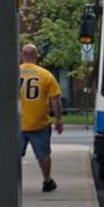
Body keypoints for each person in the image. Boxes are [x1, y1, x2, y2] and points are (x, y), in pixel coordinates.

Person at [19, 44, 63, 192]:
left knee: (13, 154)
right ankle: (47, 180)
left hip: (16, 123)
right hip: (39, 122)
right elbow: (55, 99)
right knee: (43, 154)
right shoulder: (45, 75)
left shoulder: (13, 73)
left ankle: (10, 182)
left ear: (22, 56)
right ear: (36, 56)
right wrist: (58, 119)